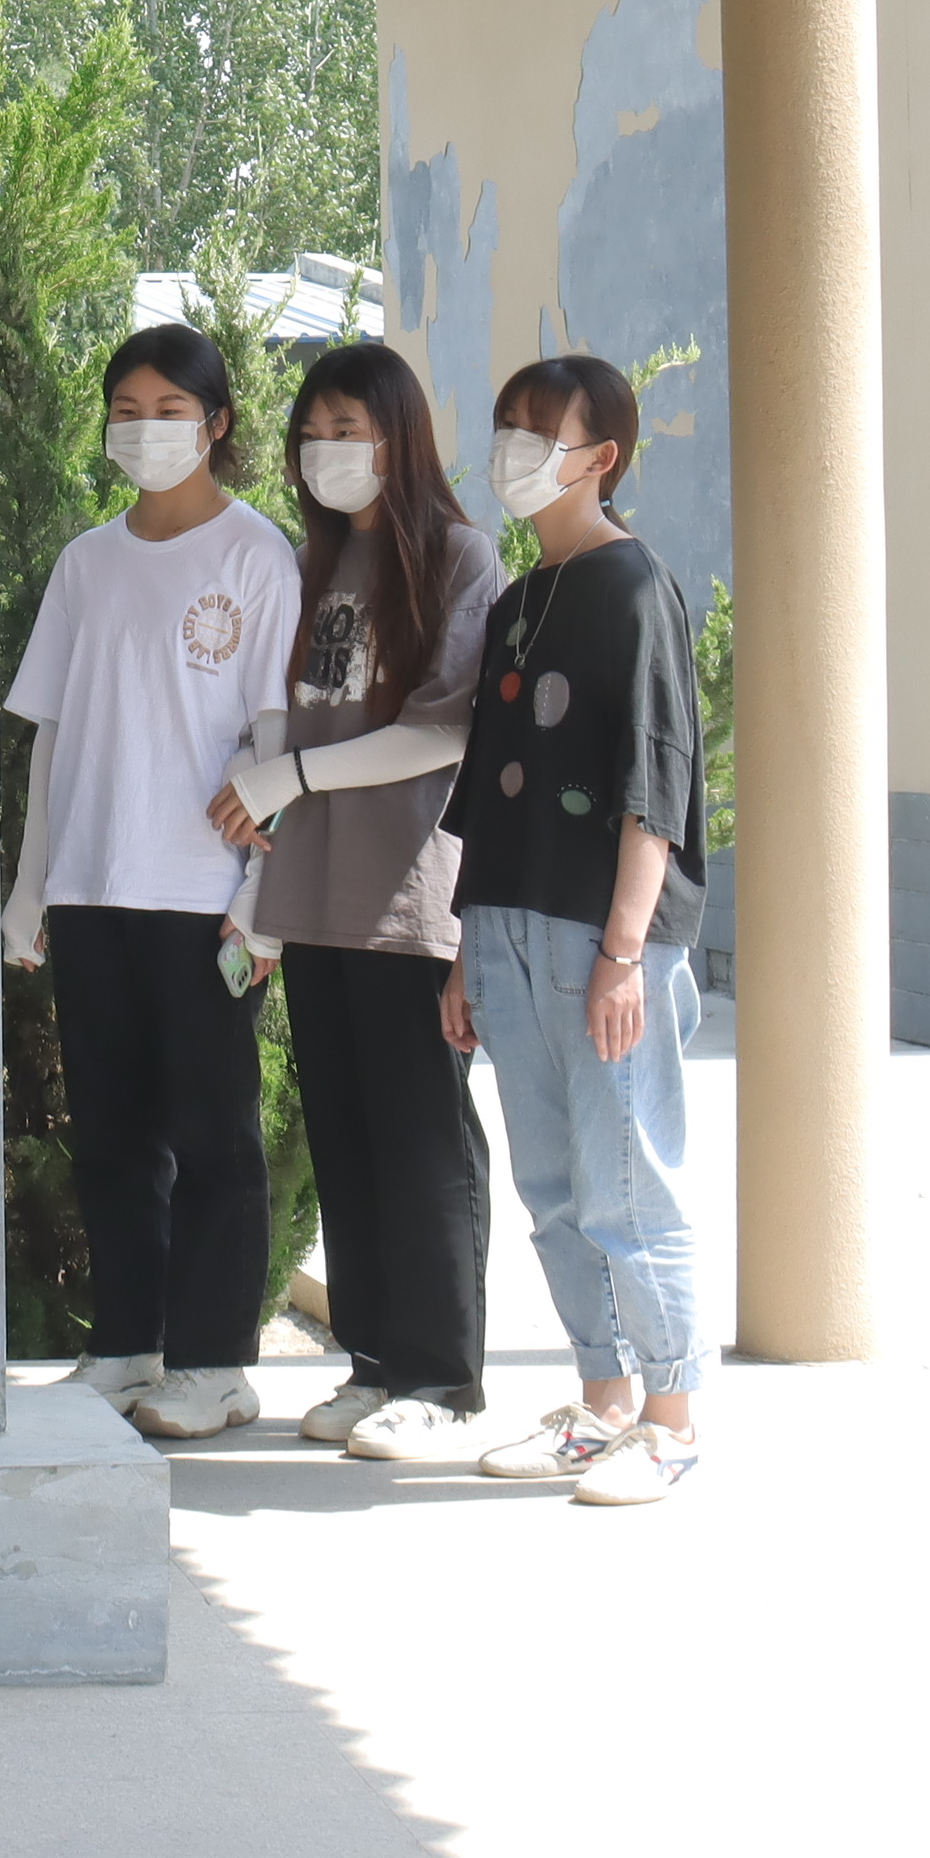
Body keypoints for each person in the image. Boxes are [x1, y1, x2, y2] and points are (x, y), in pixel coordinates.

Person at [2, 325, 303, 1444]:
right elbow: (51, 733)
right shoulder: (87, 564)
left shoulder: (256, 556)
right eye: (125, 411)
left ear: (216, 423)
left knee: (214, 1134)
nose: (145, 430)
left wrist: (262, 902)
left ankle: (216, 1362)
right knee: (114, 1131)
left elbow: (276, 740)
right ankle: (128, 1343)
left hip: (202, 893)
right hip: (92, 884)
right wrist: (31, 883)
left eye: (169, 410)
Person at [204, 341, 499, 1461]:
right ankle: (376, 1364)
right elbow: (285, 719)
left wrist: (291, 777)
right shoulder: (312, 563)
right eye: (312, 432)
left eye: (348, 430)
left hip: (407, 896)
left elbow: (441, 730)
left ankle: (442, 1378)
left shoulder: (459, 557)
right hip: (318, 896)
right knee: (348, 1140)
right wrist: (264, 884)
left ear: (399, 437)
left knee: (423, 1142)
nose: (325, 450)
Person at [440, 355, 712, 1506]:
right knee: (553, 1187)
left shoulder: (633, 586)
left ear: (601, 457)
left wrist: (624, 953)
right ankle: (602, 1401)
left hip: (602, 934)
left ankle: (672, 1415)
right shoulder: (518, 602)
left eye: (539, 429)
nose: (514, 446)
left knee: (626, 1182)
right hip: (508, 926)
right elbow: (488, 788)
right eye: (507, 423)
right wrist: (466, 949)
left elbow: (657, 787)